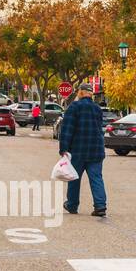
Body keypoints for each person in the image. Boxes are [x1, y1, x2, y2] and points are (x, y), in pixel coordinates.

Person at [58, 83, 106, 216]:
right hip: (96, 149)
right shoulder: (97, 109)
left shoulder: (74, 107)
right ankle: (100, 206)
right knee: (96, 178)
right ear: (90, 94)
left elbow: (67, 130)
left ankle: (72, 205)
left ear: (81, 92)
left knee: (74, 178)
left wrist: (63, 149)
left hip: (78, 150)